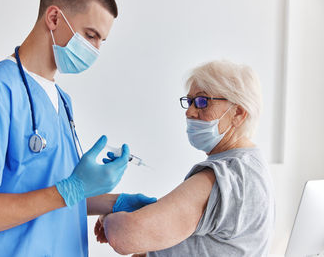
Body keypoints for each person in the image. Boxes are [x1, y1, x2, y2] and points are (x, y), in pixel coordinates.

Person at [0, 0, 156, 256]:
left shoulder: (62, 101)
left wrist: (114, 202)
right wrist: (71, 189)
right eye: (90, 35)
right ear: (54, 18)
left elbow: (46, 194)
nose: (96, 50)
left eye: (102, 41)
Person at [95, 60, 275, 257]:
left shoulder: (226, 174)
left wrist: (110, 218)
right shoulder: (252, 164)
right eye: (189, 102)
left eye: (202, 101)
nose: (189, 112)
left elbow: (127, 234)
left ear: (238, 113)